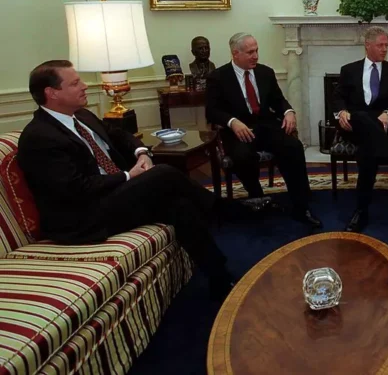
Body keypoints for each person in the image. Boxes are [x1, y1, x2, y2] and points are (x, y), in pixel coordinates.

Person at [17, 60, 235, 300]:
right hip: (82, 217)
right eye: (75, 83)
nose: (85, 87)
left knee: (178, 205)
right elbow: (76, 189)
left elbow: (119, 135)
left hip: (111, 197)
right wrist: (128, 175)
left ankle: (219, 275)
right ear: (52, 93)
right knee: (164, 173)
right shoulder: (39, 137)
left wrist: (141, 153)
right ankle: (222, 210)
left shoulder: (82, 116)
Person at [206, 33, 322, 228]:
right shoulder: (218, 77)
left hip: (265, 125)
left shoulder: (265, 73)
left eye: (257, 50)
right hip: (238, 130)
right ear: (235, 53)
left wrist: (288, 111)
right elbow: (212, 111)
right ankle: (257, 196)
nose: (256, 56)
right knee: (242, 155)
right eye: (250, 52)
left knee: (293, 146)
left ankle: (301, 206)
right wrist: (232, 121)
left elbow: (278, 100)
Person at [331, 26, 388, 233]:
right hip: (353, 125)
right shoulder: (348, 70)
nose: (385, 49)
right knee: (360, 116)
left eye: (387, 45)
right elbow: (336, 96)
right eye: (380, 45)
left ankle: (361, 211)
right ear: (367, 45)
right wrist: (341, 111)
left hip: (382, 125)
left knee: (367, 152)